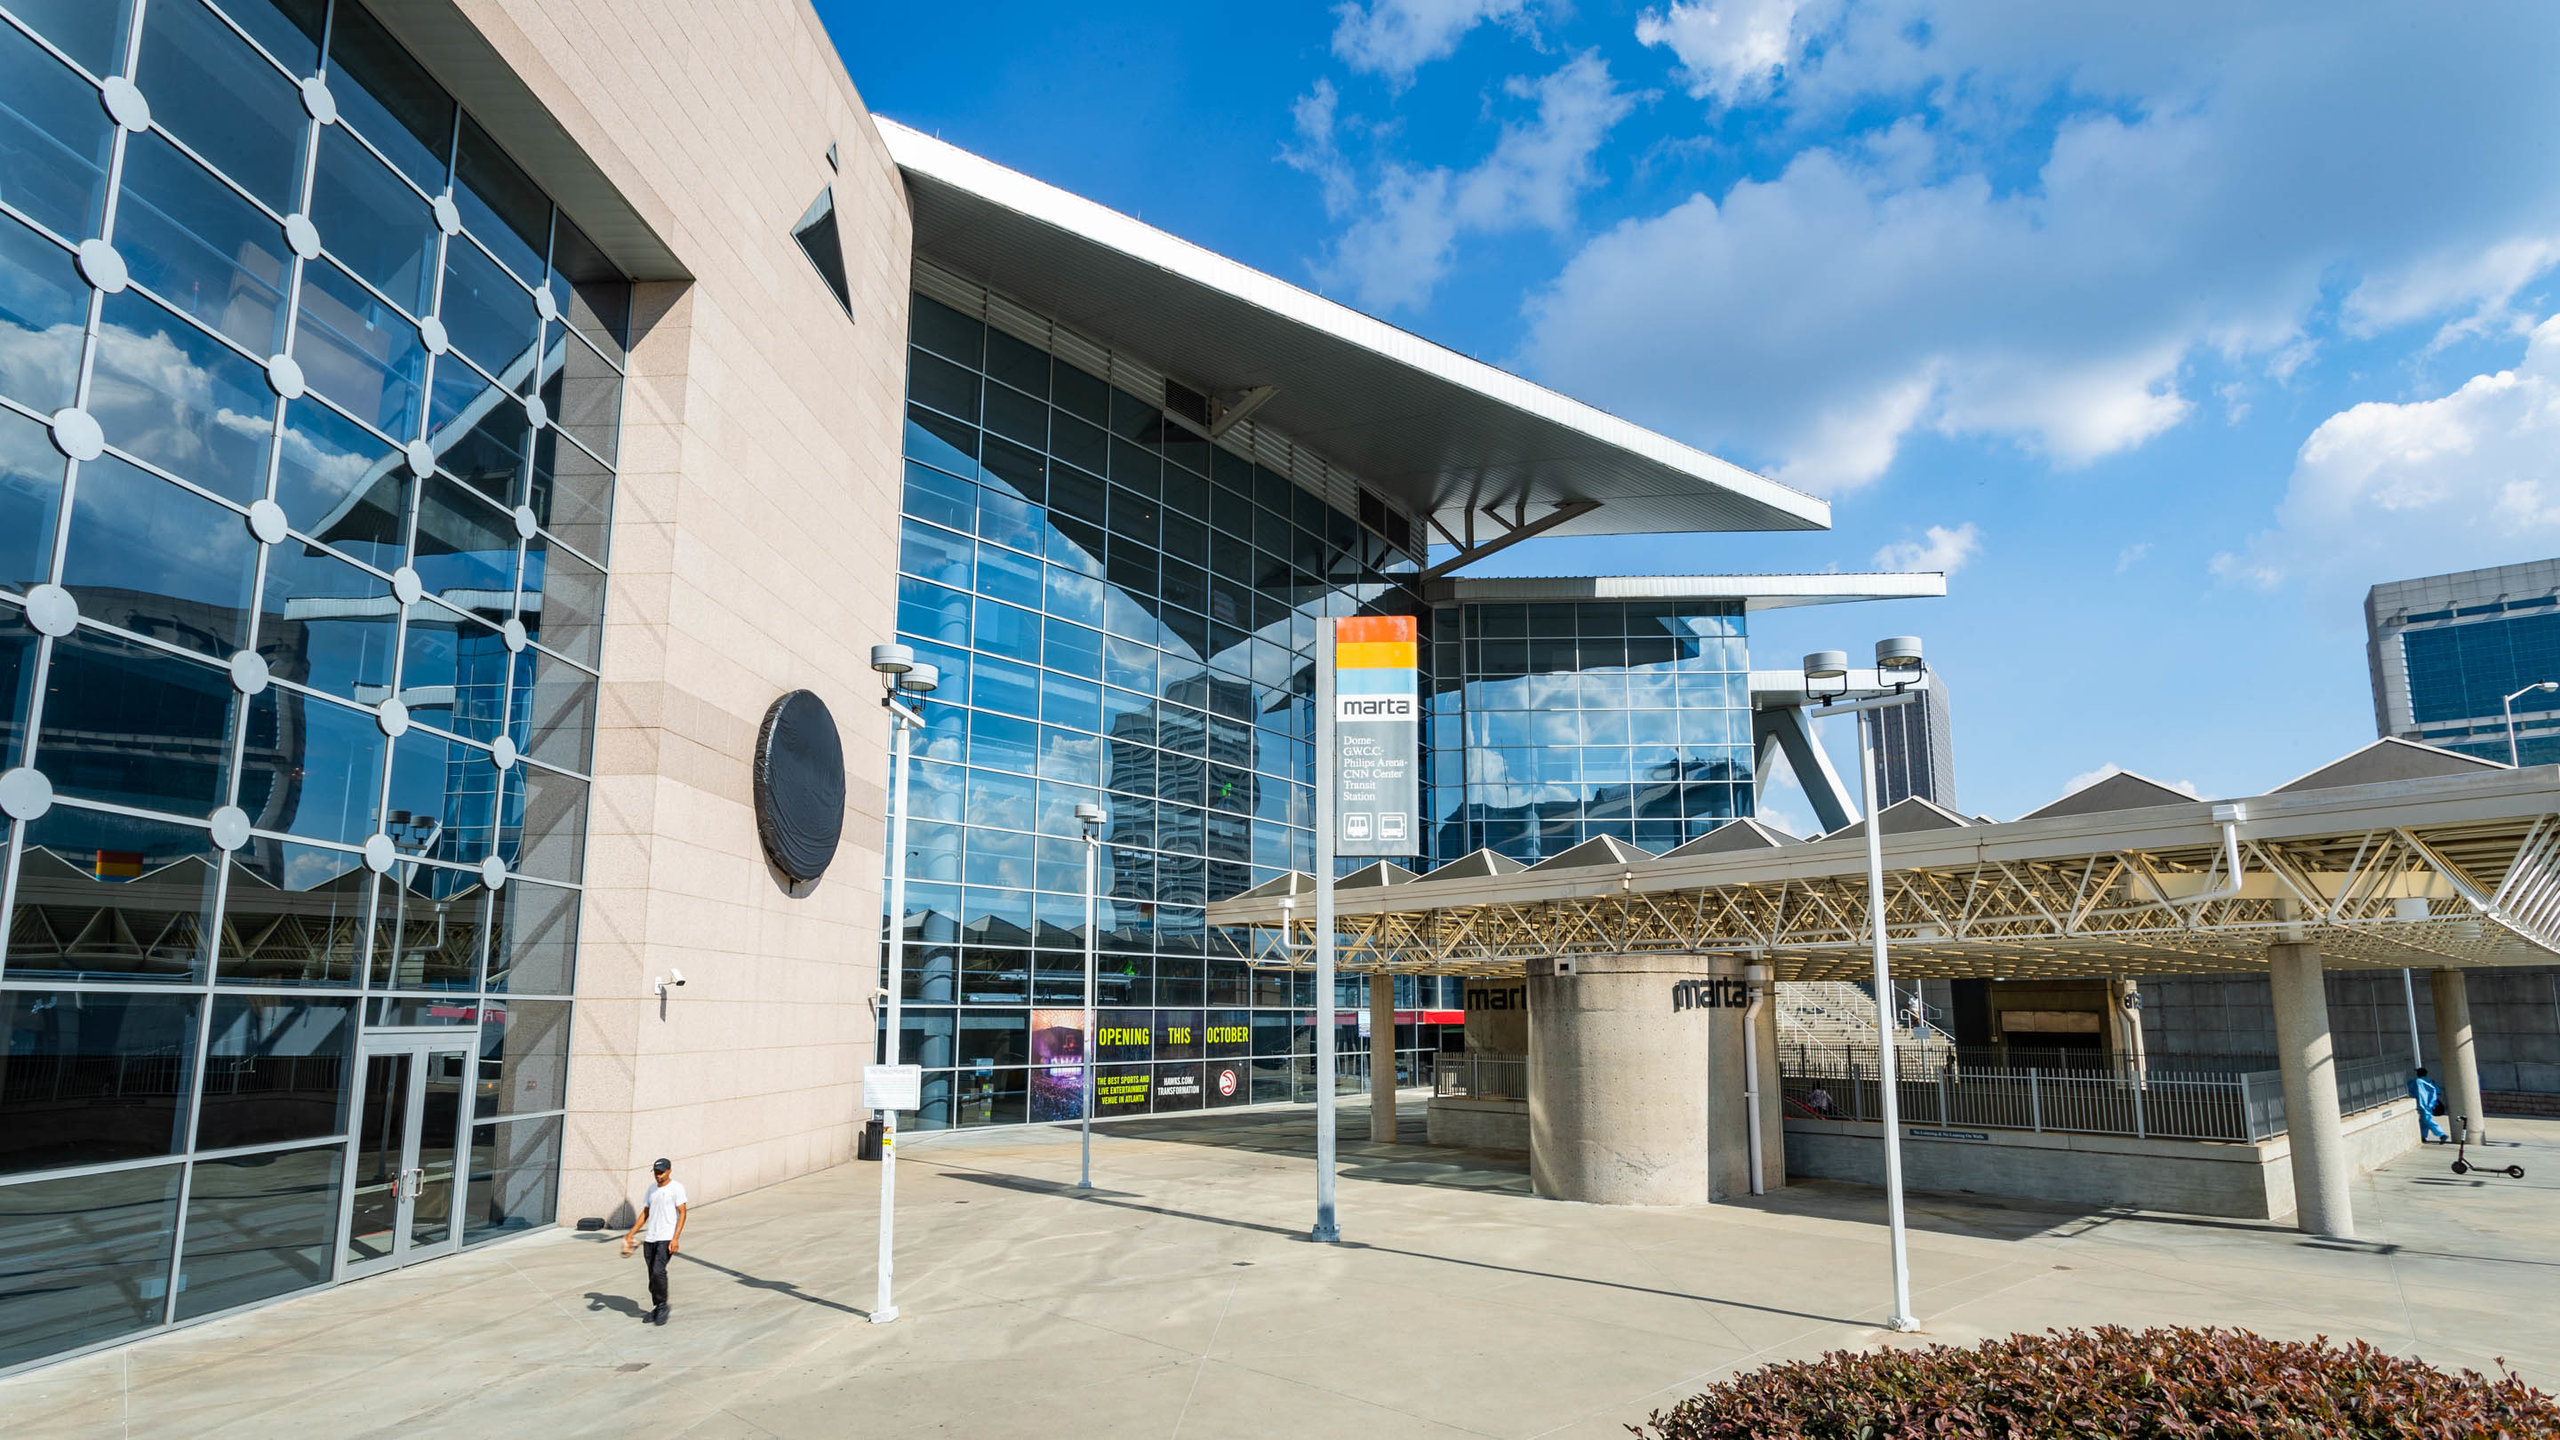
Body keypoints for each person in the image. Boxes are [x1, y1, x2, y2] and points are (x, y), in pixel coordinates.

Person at [620, 1157, 688, 1324]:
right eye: (656, 1173)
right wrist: (631, 1234)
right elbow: (645, 1213)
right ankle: (658, 1306)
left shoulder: (676, 1188)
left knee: (659, 1271)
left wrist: (675, 1239)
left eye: (661, 1172)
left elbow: (683, 1213)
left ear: (669, 1171)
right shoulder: (651, 1189)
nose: (658, 1176)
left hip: (666, 1238)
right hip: (650, 1238)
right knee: (652, 1275)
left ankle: (663, 1306)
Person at [2409, 1068, 2446, 1144]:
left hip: (2422, 1104)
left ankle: (2441, 1134)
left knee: (2427, 1120)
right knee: (2423, 1121)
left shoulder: (2415, 1082)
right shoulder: (2431, 1081)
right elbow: (2438, 1092)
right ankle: (2423, 1136)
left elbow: (2411, 1091)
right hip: (2431, 1103)